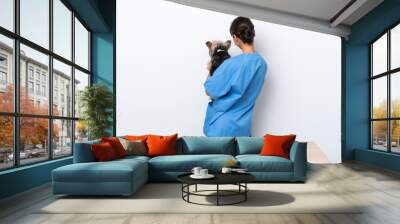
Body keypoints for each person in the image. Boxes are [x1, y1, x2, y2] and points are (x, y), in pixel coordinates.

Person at [203, 17, 268, 137]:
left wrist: (210, 67)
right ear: (253, 33)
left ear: (235, 38)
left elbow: (209, 91)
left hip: (221, 128)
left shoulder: (231, 64)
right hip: (243, 130)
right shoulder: (262, 65)